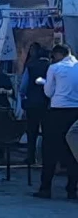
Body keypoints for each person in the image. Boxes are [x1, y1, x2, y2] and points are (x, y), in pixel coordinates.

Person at [35, 44, 78, 200]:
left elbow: (49, 92)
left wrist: (44, 82)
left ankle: (45, 188)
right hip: (75, 113)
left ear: (58, 54)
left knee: (50, 151)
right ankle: (72, 189)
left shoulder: (55, 68)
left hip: (58, 112)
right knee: (74, 152)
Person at [20, 43, 51, 165]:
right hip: (46, 104)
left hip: (32, 104)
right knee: (46, 132)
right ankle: (45, 158)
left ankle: (30, 157)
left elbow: (23, 86)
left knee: (31, 131)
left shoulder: (30, 66)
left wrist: (24, 98)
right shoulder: (51, 67)